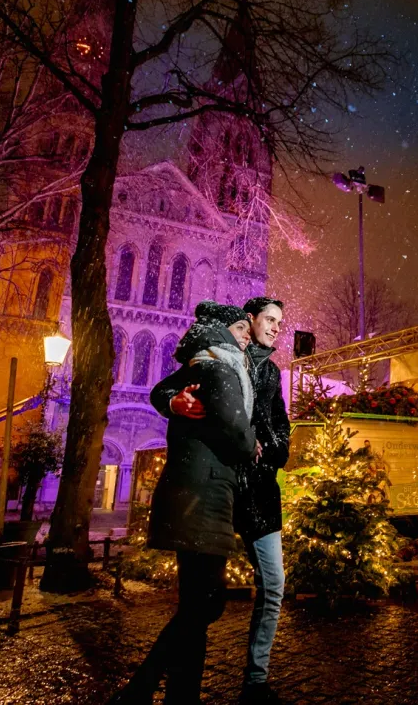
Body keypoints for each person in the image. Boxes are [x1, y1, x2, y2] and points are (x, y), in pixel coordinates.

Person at [109, 302, 257, 705]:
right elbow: (234, 428)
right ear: (223, 332)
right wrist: (252, 444)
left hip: (196, 497)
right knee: (206, 604)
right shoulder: (220, 366)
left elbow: (163, 388)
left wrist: (172, 399)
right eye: (241, 328)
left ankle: (179, 695)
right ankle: (140, 689)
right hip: (204, 498)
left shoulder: (207, 361)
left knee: (197, 606)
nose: (247, 334)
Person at [152, 297, 289, 705]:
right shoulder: (221, 354)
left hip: (259, 494)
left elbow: (281, 431)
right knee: (203, 600)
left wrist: (267, 447)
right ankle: (181, 687)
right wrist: (173, 402)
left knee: (274, 584)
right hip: (218, 490)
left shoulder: (269, 373)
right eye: (270, 320)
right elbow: (165, 389)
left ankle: (256, 680)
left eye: (281, 322)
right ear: (249, 321)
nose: (277, 328)